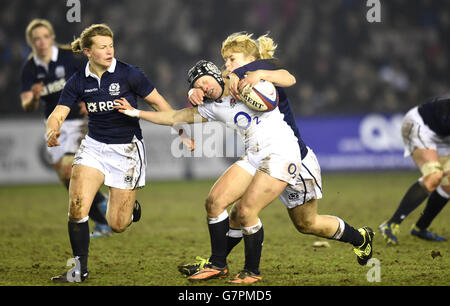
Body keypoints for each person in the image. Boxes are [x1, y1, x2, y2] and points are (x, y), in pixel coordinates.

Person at [115, 44, 374, 284]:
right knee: (215, 202)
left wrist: (257, 75)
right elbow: (176, 116)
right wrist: (137, 112)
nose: (204, 87)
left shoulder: (253, 78)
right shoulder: (213, 104)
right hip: (255, 155)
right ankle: (217, 264)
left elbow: (287, 79)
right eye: (198, 86)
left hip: (286, 153)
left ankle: (256, 270)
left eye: (205, 81)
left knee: (291, 220)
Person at [47, 23, 189, 282]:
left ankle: (129, 206)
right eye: (102, 47)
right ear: (88, 52)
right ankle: (78, 270)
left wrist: (180, 130)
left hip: (127, 151)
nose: (109, 51)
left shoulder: (129, 74)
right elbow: (58, 112)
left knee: (118, 224)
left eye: (111, 45)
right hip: (94, 147)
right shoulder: (78, 80)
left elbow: (158, 103)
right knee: (77, 207)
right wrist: (52, 129)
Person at [20, 18, 111, 238]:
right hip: (54, 123)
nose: (41, 42)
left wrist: (91, 99)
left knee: (71, 171)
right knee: (66, 178)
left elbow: (95, 73)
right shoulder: (30, 68)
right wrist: (33, 96)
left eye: (45, 37)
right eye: (36, 39)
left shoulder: (70, 57)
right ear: (31, 42)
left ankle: (103, 211)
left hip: (78, 120)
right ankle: (102, 215)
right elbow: (27, 105)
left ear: (51, 37)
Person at [379, 94, 449, 245]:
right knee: (434, 175)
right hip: (420, 125)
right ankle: (390, 224)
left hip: (444, 135)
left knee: (448, 184)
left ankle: (420, 228)